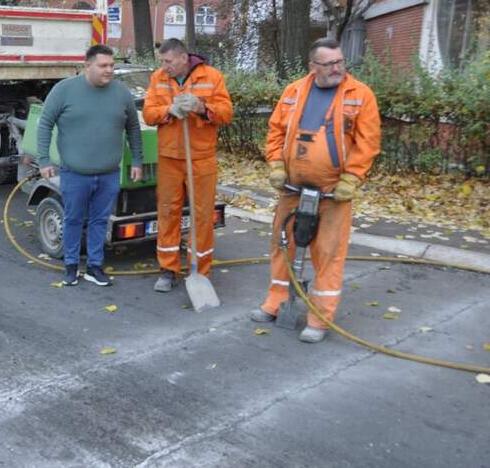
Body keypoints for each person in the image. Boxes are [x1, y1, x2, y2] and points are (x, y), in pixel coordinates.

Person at [250, 38, 381, 343]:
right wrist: (276, 165)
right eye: (329, 63)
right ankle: (276, 302)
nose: (337, 68)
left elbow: (368, 142)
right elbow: (276, 130)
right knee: (283, 245)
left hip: (334, 192)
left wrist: (352, 177)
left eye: (340, 62)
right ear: (313, 66)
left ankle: (319, 318)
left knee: (328, 253)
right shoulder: (294, 91)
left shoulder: (360, 95)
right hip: (291, 187)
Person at [37, 44, 143, 287]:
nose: (109, 70)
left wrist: (136, 160)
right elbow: (45, 124)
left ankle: (94, 267)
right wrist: (43, 160)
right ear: (87, 65)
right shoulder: (64, 90)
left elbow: (133, 128)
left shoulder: (121, 93)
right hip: (75, 173)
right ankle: (71, 266)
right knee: (73, 219)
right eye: (103, 66)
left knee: (99, 220)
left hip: (108, 174)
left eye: (112, 66)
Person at [143, 38, 234, 292]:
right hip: (170, 157)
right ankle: (168, 269)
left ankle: (200, 271)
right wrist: (169, 110)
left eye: (168, 61)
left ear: (184, 58)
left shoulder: (211, 76)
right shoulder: (158, 78)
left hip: (201, 158)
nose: (165, 66)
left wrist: (202, 107)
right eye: (162, 61)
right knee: (168, 213)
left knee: (202, 215)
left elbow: (226, 113)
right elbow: (149, 114)